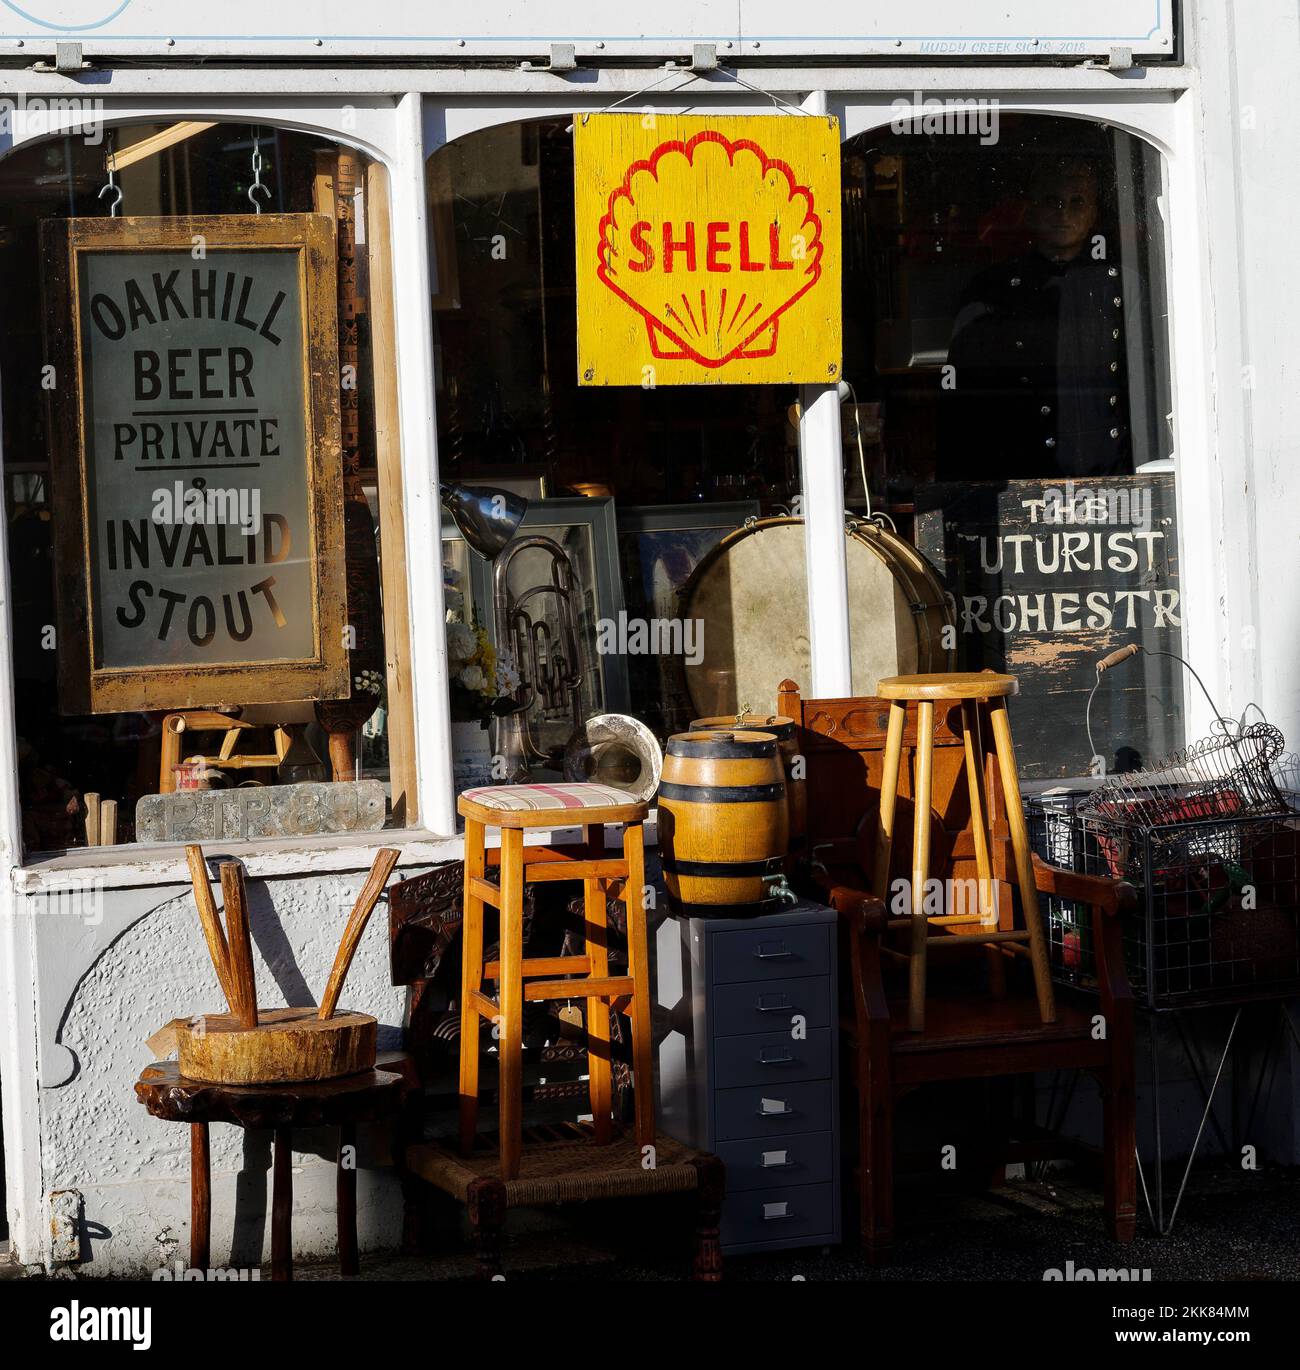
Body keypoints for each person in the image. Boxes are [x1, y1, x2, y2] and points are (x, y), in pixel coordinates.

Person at [938, 157, 1133, 480]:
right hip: (1020, 475)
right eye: (1051, 201)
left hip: (1108, 477)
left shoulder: (1120, 286)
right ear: (1030, 210)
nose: (1063, 212)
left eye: (1077, 202)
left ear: (1093, 214)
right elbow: (964, 400)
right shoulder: (993, 290)